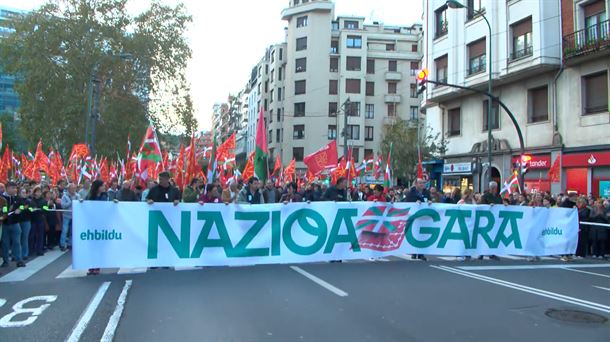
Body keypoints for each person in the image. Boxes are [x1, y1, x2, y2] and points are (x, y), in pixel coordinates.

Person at [403, 178, 430, 261]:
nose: (422, 184)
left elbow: (429, 199)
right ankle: (414, 252)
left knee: (422, 235)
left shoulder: (426, 192)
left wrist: (430, 201)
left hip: (423, 217)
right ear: (416, 184)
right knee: (414, 233)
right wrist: (414, 202)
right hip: (414, 217)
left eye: (423, 183)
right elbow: (408, 202)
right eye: (420, 183)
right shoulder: (411, 192)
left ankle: (421, 253)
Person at [85, 180, 108, 275]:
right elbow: (85, 205)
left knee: (99, 246)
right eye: (102, 186)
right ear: (97, 187)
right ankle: (91, 266)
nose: (104, 187)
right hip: (92, 223)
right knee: (92, 246)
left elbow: (106, 207)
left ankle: (97, 266)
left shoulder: (105, 196)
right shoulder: (90, 196)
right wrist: (81, 203)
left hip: (101, 224)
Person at [2, 182, 25, 268]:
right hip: (5, 224)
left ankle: (19, 259)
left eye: (16, 188)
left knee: (17, 242)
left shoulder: (17, 198)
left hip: (15, 223)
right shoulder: (2, 198)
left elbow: (23, 205)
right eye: (13, 188)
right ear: (7, 188)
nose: (15, 190)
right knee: (5, 243)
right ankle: (5, 260)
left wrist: (20, 209)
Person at [478, 181, 502, 261]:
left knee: (493, 237)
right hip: (486, 219)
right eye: (492, 188)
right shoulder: (485, 196)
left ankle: (492, 253)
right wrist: (489, 206)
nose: (493, 189)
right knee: (484, 236)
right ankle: (481, 253)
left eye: (494, 188)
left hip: (495, 220)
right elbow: (482, 205)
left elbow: (500, 205)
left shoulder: (498, 196)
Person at [60, 183, 80, 251]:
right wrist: (71, 202)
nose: (73, 190)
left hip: (74, 216)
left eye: (74, 188)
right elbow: (63, 205)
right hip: (66, 215)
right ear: (68, 189)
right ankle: (62, 244)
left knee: (72, 230)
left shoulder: (77, 195)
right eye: (72, 188)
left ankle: (70, 244)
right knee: (65, 230)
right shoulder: (64, 196)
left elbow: (79, 205)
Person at [29, 186, 47, 257]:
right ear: (34, 192)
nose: (39, 193)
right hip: (33, 219)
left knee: (40, 235)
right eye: (37, 192)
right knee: (32, 235)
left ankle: (39, 250)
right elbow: (29, 209)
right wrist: (32, 210)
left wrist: (39, 210)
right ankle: (31, 250)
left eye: (40, 192)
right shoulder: (31, 200)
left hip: (40, 219)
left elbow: (45, 209)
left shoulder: (44, 201)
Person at [17, 187, 32, 260]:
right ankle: (17, 254)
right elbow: (16, 208)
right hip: (18, 221)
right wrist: (23, 207)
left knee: (25, 238)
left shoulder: (28, 201)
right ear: (19, 193)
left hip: (26, 220)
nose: (24, 194)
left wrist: (27, 208)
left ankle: (25, 253)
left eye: (25, 192)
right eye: (22, 192)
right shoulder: (17, 200)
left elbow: (30, 209)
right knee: (17, 239)